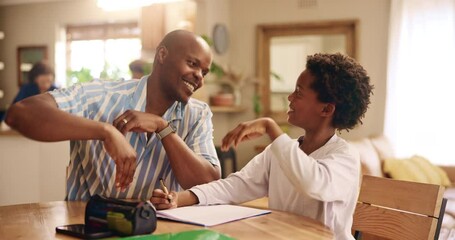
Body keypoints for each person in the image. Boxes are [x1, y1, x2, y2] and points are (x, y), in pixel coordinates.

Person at [151, 53, 374, 240]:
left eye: (298, 92)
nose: (290, 97)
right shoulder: (280, 152)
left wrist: (270, 127)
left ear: (326, 110)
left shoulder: (344, 157)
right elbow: (236, 186)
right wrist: (180, 199)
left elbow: (313, 182)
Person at [5, 30, 221, 200]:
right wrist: (106, 131)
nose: (199, 78)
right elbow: (20, 114)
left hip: (159, 231)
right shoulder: (101, 96)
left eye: (204, 72)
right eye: (192, 64)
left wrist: (163, 127)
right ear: (162, 55)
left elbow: (208, 183)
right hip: (87, 228)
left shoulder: (198, 115)